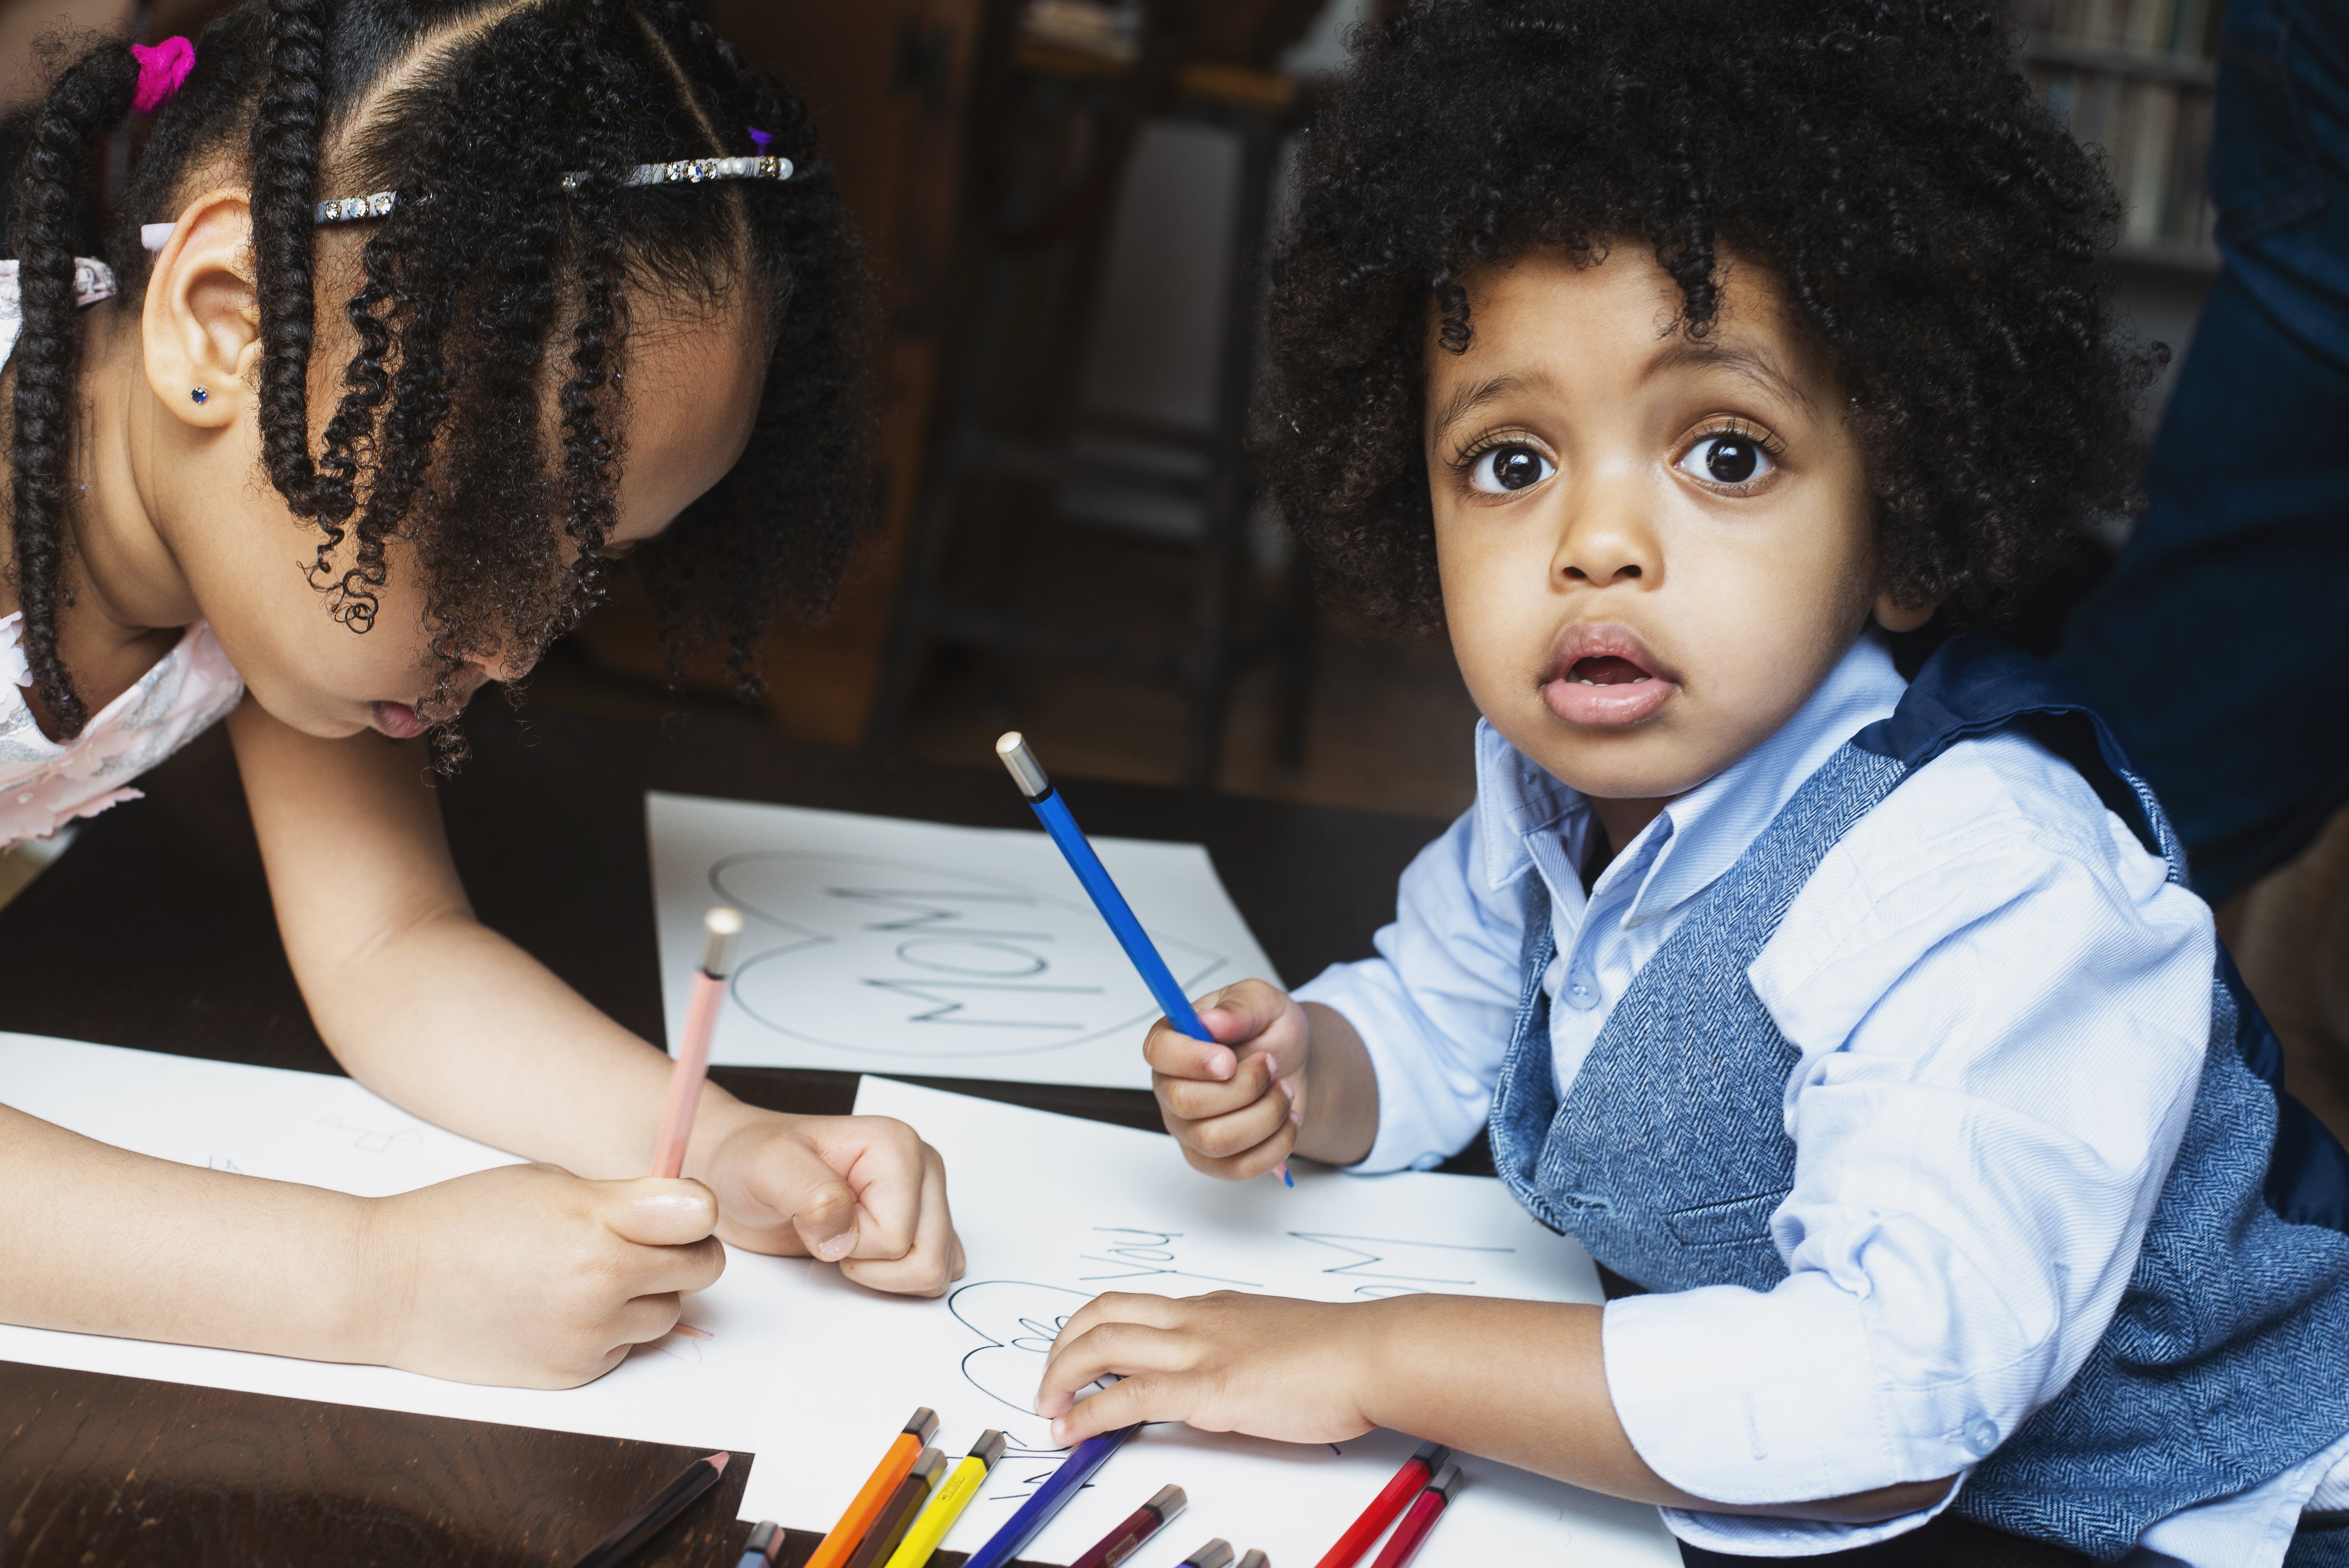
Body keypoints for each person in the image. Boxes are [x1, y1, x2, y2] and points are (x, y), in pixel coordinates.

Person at [1031, 2, 2349, 1561]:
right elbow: (1448, 1015)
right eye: (1509, 461)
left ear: (1903, 511)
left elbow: (1882, 1396)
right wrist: (1311, 1069)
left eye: (1722, 452)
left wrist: (1369, 1355)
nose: (1596, 543)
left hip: (2206, 1516)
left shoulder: (1984, 875)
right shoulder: (1542, 788)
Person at [0, 0, 961, 1390]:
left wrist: (732, 1141)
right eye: (482, 531)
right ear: (223, 324)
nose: (512, 649)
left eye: (577, 566)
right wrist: (373, 1280)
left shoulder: (253, 536)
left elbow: (392, 949)